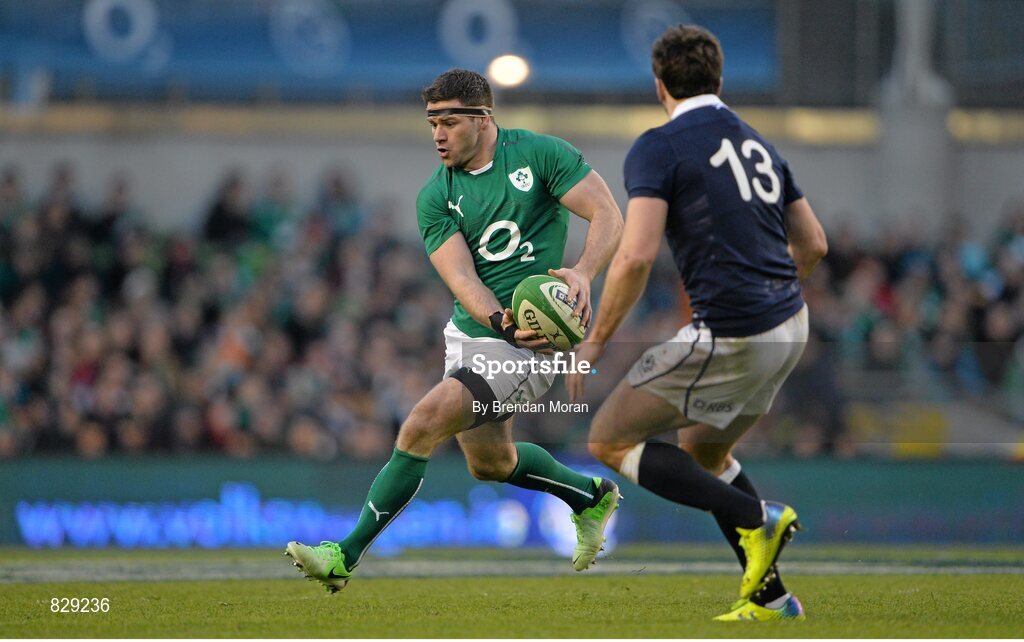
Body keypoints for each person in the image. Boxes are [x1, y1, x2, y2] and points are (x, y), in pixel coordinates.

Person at [286, 68, 625, 593]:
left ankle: (343, 554)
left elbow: (606, 213)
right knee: (491, 464)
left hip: (534, 344)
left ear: (483, 118)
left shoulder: (540, 155)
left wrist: (582, 272)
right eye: (431, 123)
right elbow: (461, 276)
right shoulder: (434, 197)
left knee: (421, 422)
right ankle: (590, 496)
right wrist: (498, 321)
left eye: (449, 121)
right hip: (480, 333)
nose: (438, 134)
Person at [566, 25, 827, 622]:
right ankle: (771, 598)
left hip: (732, 330)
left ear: (660, 85)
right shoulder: (759, 143)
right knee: (703, 453)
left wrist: (596, 340)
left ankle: (758, 517)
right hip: (790, 325)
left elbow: (634, 256)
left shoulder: (659, 146)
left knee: (608, 438)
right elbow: (813, 243)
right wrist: (769, 292)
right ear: (720, 81)